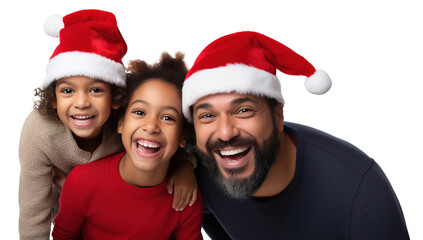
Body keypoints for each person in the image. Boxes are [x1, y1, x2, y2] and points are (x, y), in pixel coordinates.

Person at [182, 31, 410, 239]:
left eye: (244, 111)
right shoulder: (197, 173)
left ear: (278, 116)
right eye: (207, 116)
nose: (225, 132)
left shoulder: (360, 191)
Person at [19, 10, 197, 240]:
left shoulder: (126, 122)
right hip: (66, 206)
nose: (81, 102)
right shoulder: (39, 131)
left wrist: (184, 165)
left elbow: (164, 137)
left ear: (115, 98)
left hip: (127, 208)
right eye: (67, 90)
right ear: (53, 98)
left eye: (95, 90)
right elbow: (33, 211)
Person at [52, 52, 203, 239]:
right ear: (121, 123)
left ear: (183, 136)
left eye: (167, 118)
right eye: (139, 112)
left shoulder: (186, 195)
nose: (151, 126)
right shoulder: (82, 182)